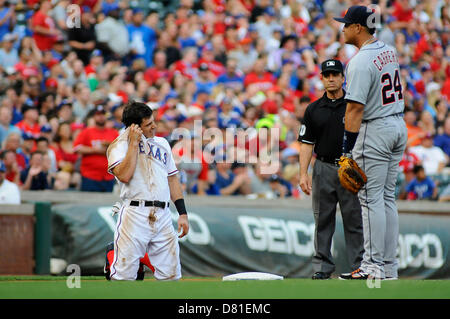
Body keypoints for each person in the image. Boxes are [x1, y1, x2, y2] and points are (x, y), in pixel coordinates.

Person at [335, 6, 408, 280]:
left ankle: (373, 266)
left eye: (346, 24)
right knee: (387, 198)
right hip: (397, 124)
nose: (342, 28)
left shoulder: (360, 61)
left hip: (375, 129)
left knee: (370, 199)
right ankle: (389, 267)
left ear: (358, 28)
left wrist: (346, 149)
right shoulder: (389, 51)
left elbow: (354, 110)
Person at [106, 100, 189, 281]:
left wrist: (182, 213)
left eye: (153, 121)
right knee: (124, 275)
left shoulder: (162, 143)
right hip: (135, 213)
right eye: (148, 124)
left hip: (163, 214)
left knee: (171, 276)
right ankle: (112, 255)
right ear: (135, 127)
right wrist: (134, 144)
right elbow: (124, 175)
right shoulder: (119, 145)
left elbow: (172, 179)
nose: (155, 126)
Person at [298, 59, 364, 280]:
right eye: (327, 75)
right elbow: (307, 143)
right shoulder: (313, 109)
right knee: (322, 220)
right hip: (323, 166)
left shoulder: (354, 104)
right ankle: (322, 267)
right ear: (322, 79)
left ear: (343, 77)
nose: (331, 78)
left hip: (350, 166)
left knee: (354, 219)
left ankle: (358, 266)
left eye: (335, 74)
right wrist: (302, 173)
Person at [73, 105, 119, 192]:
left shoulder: (113, 133)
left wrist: (107, 149)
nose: (101, 117)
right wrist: (95, 150)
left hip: (108, 176)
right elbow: (77, 148)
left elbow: (120, 149)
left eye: (102, 114)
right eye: (98, 115)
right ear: (94, 117)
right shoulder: (87, 132)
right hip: (90, 176)